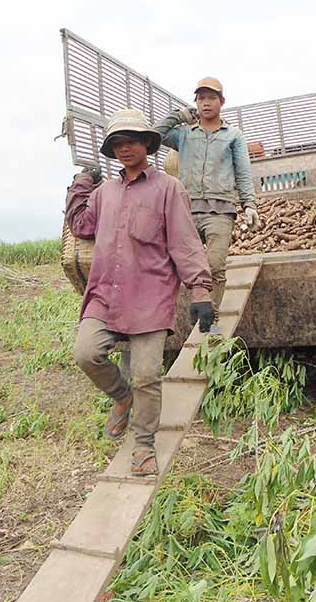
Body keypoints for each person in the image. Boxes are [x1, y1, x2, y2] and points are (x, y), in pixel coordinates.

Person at [66, 109, 214, 476]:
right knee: (86, 353)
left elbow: (185, 243)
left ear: (147, 144)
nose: (124, 148)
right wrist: (80, 184)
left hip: (149, 295)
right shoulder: (104, 193)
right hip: (105, 294)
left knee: (147, 374)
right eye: (117, 143)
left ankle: (144, 444)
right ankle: (122, 397)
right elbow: (82, 225)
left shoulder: (168, 189)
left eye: (131, 141)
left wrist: (200, 290)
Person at [154, 77, 259, 331]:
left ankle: (213, 322)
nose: (206, 103)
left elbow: (243, 171)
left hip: (221, 210)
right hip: (187, 210)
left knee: (214, 266)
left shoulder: (233, 135)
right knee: (183, 266)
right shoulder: (184, 135)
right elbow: (154, 136)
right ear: (196, 103)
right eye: (201, 98)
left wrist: (249, 204)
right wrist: (178, 115)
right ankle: (186, 312)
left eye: (211, 98)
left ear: (222, 102)